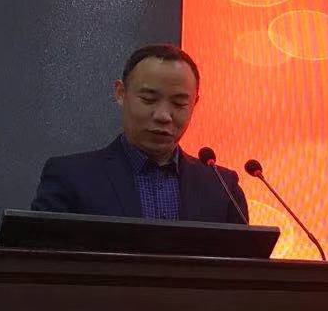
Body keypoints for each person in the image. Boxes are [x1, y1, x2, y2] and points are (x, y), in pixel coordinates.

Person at [30, 43, 249, 223]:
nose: (163, 115)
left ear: (195, 103)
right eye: (148, 99)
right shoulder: (71, 177)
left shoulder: (222, 187)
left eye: (179, 103)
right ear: (121, 93)